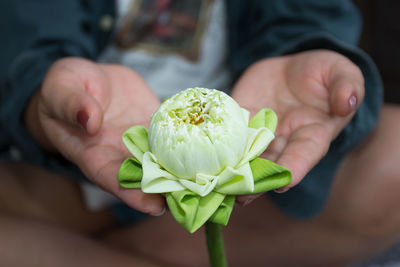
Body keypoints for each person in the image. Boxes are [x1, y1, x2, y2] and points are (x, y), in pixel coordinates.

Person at [0, 0, 394, 266]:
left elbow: (307, 15)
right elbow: (22, 35)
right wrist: (41, 96)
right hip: (81, 157)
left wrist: (304, 53)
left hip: (256, 178)